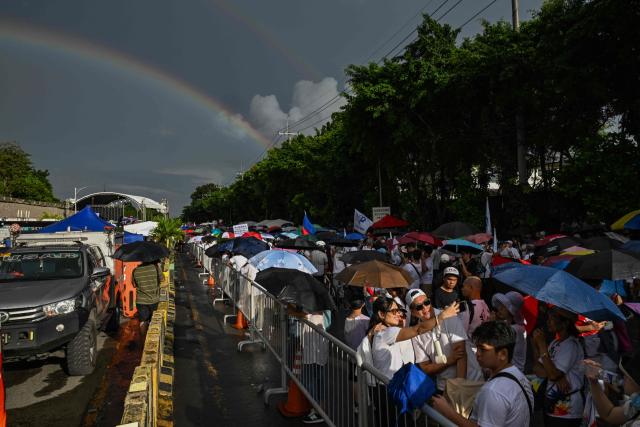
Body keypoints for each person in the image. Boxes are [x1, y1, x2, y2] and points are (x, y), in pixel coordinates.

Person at [432, 321, 534, 427]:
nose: (477, 354)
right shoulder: (520, 376)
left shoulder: (493, 391)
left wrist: (447, 411)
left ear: (503, 354)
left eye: (483, 350)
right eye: (477, 348)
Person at [408, 289, 483, 392]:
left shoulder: (448, 316)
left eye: (426, 303)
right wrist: (450, 360)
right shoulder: (416, 334)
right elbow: (426, 368)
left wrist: (459, 386)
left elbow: (461, 354)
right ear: (412, 312)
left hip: (469, 381)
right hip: (444, 387)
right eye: (419, 307)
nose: (425, 308)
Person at [532, 307, 585, 427]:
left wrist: (541, 345)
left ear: (565, 323)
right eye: (549, 317)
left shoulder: (571, 345)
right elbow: (537, 369)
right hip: (552, 405)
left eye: (553, 318)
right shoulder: (554, 343)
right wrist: (555, 376)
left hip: (567, 410)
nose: (548, 321)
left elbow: (553, 374)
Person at [585, 351, 640, 426]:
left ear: (635, 382)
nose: (624, 377)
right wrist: (594, 382)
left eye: (627, 375)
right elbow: (609, 414)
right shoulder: (636, 403)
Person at [491, 291, 527, 372]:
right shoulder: (514, 326)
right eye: (500, 306)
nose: (499, 309)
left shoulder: (516, 329)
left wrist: (492, 325)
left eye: (504, 307)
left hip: (512, 373)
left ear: (511, 310)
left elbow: (494, 344)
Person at [132, 259, 163, 335]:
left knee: (143, 321)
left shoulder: (135, 270)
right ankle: (153, 337)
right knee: (154, 320)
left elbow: (134, 285)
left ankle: (143, 341)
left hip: (141, 301)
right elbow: (162, 279)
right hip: (154, 300)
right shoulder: (155, 268)